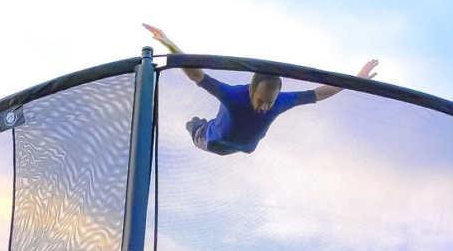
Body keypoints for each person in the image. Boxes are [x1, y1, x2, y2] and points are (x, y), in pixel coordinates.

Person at [144, 24, 379, 155]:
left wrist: (355, 79)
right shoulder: (234, 96)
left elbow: (320, 93)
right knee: (196, 126)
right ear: (250, 91)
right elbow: (198, 75)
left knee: (244, 138)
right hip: (212, 140)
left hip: (245, 147)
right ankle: (195, 124)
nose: (264, 107)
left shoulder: (281, 102)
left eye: (269, 102)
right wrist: (169, 44)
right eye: (260, 100)